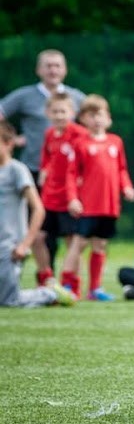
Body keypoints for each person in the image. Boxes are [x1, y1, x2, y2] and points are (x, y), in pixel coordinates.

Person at [0, 49, 85, 277]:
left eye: (57, 65)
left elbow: (94, 124)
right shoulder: (25, 96)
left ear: (65, 69)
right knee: (38, 229)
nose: (53, 70)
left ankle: (70, 281)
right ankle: (44, 277)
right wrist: (11, 140)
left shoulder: (76, 97)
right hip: (35, 173)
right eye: (48, 65)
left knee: (69, 231)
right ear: (39, 70)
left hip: (67, 179)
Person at [60, 94, 134, 300]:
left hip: (109, 205)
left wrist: (126, 187)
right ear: (83, 119)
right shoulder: (79, 144)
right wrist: (72, 198)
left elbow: (121, 169)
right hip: (88, 206)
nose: (96, 119)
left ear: (108, 118)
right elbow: (71, 174)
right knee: (78, 243)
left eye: (100, 114)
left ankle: (95, 289)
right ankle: (67, 284)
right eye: (91, 115)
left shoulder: (115, 142)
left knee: (100, 245)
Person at [0, 120, 74, 308]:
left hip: (9, 248)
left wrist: (25, 244)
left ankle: (49, 293)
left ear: (9, 144)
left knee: (9, 301)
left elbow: (38, 209)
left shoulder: (16, 170)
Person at [36, 93, 89, 285]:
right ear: (47, 113)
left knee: (72, 241)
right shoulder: (49, 134)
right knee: (38, 237)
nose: (59, 116)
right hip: (49, 196)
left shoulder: (79, 134)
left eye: (63, 111)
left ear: (72, 113)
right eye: (55, 111)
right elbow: (47, 158)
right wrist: (44, 170)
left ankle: (72, 283)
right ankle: (45, 278)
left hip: (70, 197)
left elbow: (85, 163)